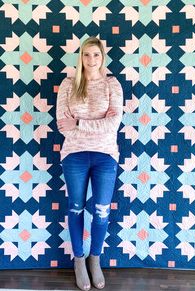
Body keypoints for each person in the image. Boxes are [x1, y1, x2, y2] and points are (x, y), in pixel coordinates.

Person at [56, 36, 123, 291]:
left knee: (102, 210)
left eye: (96, 55)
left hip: (106, 155)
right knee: (75, 208)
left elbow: (113, 125)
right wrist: (94, 125)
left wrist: (80, 123)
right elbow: (64, 126)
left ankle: (95, 258)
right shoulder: (68, 85)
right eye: (86, 55)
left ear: (102, 57)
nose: (91, 60)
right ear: (80, 57)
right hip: (74, 155)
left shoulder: (112, 85)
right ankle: (79, 260)